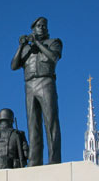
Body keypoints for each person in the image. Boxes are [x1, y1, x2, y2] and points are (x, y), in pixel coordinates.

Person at [11, 17, 62, 166]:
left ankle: (54, 160)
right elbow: (14, 66)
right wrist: (21, 46)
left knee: (50, 122)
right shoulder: (27, 49)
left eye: (44, 26)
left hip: (46, 82)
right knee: (33, 124)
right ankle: (35, 161)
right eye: (39, 26)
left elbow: (53, 58)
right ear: (33, 29)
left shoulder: (54, 43)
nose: (42, 28)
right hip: (29, 85)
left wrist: (38, 43)